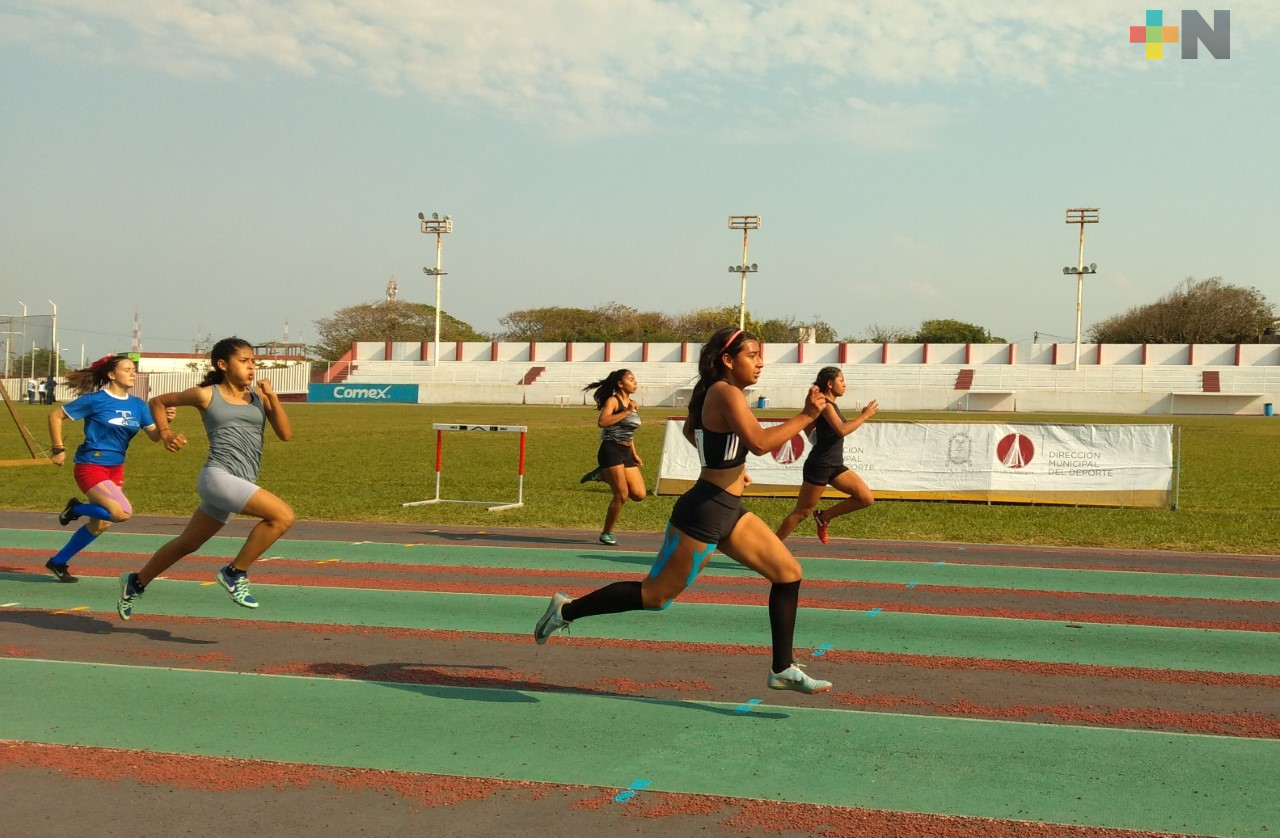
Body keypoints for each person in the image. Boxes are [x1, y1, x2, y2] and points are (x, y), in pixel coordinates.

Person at [535, 327, 834, 694]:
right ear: (728, 360)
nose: (760, 363)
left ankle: (783, 668)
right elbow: (758, 443)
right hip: (704, 512)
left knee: (788, 573)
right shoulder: (724, 391)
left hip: (727, 508)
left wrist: (730, 469)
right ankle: (566, 610)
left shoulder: (717, 391)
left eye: (760, 356)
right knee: (655, 597)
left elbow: (695, 433)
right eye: (752, 355)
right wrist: (806, 415)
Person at [116, 337, 294, 620]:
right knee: (282, 516)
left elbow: (285, 434)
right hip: (218, 477)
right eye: (244, 361)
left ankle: (136, 582)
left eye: (253, 362)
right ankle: (234, 572)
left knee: (187, 543)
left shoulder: (258, 396)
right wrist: (166, 434)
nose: (251, 367)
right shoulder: (206, 395)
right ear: (223, 365)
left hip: (240, 482)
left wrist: (271, 397)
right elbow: (158, 401)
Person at [44, 355, 170, 583]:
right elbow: (55, 416)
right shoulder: (95, 400)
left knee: (101, 523)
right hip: (90, 466)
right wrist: (58, 448)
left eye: (134, 369)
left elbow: (154, 436)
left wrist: (165, 422)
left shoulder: (138, 405)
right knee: (121, 513)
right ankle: (76, 508)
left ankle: (58, 561)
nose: (133, 373)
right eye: (127, 369)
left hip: (115, 468)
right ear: (111, 374)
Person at [775, 367, 878, 544]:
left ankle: (824, 517)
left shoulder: (827, 404)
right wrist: (864, 416)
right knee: (802, 512)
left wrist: (815, 437)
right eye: (841, 380)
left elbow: (809, 425)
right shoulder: (826, 405)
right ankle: (771, 546)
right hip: (820, 465)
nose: (845, 385)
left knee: (865, 498)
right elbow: (841, 430)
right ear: (830, 384)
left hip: (835, 466)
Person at [582, 369, 645, 545]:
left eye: (635, 379)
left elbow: (629, 432)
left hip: (626, 451)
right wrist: (627, 412)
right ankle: (606, 533)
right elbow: (602, 422)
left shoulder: (632, 403)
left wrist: (634, 453)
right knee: (621, 495)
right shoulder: (613, 401)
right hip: (611, 450)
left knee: (639, 494)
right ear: (620, 384)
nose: (635, 382)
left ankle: (602, 474)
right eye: (631, 379)